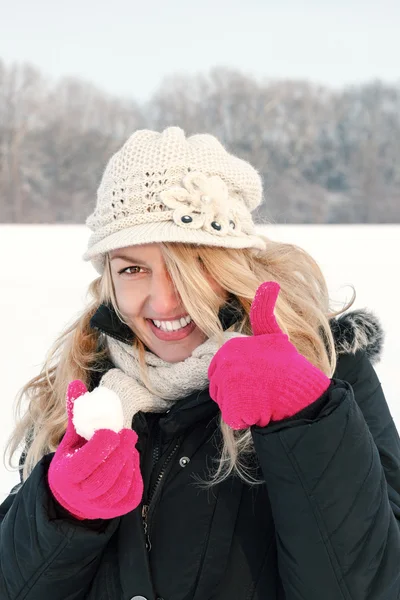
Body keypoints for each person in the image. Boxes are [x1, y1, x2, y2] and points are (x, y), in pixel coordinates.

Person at [1, 127, 399, 600]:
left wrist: (303, 423)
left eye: (191, 265)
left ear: (234, 266)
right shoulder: (79, 388)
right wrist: (59, 515)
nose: (164, 302)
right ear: (107, 276)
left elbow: (372, 585)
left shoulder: (328, 372)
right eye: (133, 268)